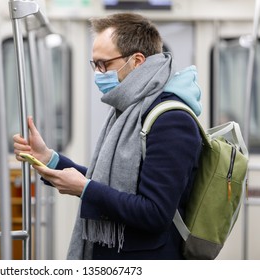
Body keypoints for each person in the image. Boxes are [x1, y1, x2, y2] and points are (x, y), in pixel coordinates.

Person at [13, 12, 203, 260]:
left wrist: (85, 190)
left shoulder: (172, 120)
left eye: (104, 64)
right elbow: (112, 183)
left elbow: (155, 213)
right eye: (94, 65)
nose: (98, 74)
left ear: (137, 61)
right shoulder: (130, 109)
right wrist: (49, 159)